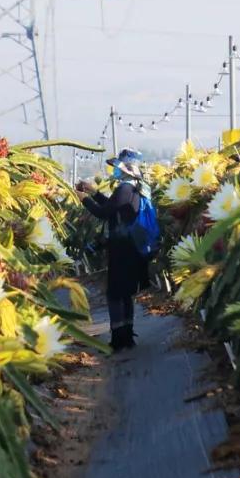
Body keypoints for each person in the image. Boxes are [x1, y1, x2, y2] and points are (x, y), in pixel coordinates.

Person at [79, 148, 151, 351]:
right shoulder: (135, 188)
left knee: (115, 294)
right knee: (125, 293)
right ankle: (126, 336)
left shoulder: (125, 189)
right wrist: (94, 193)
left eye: (117, 167)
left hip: (122, 250)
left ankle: (119, 339)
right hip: (130, 248)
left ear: (127, 169)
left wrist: (83, 198)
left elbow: (103, 213)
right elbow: (113, 208)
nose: (114, 171)